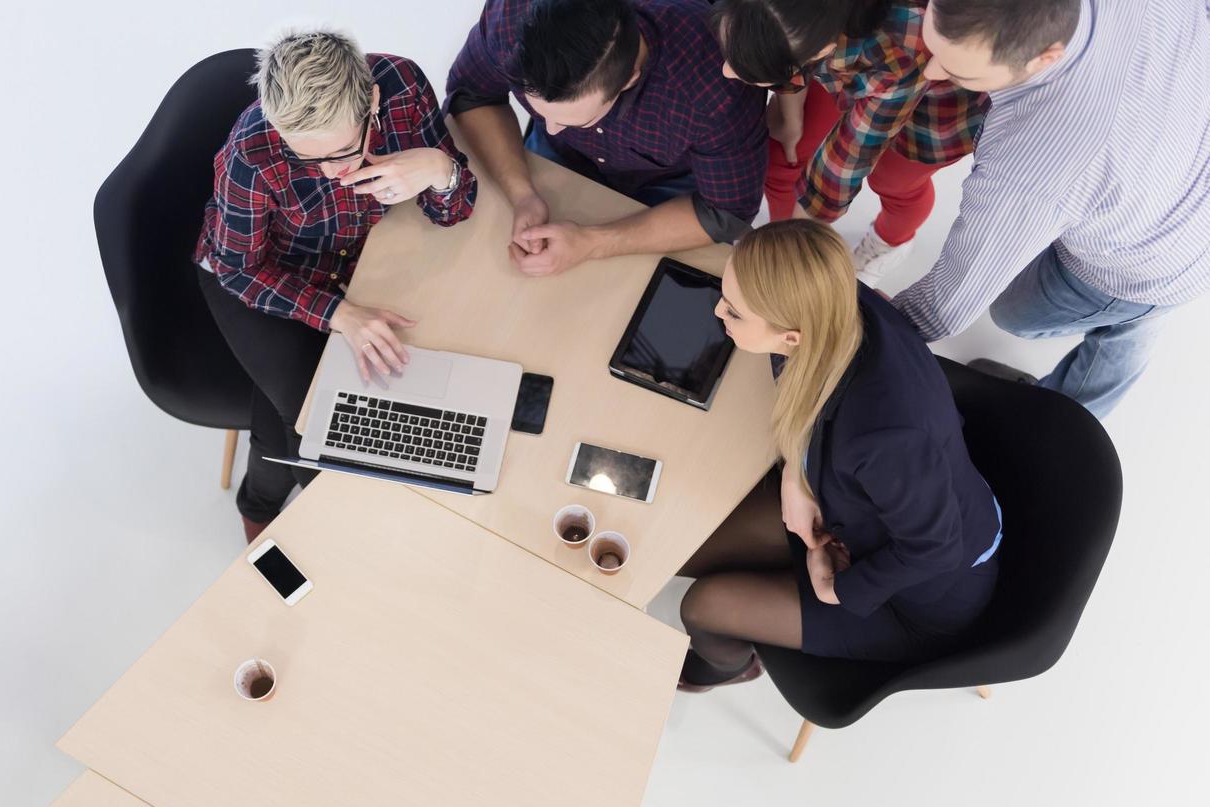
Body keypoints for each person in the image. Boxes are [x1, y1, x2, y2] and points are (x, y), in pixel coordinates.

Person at [676, 221, 1002, 689]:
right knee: (687, 544)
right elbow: (792, 373)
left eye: (734, 312)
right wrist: (794, 475)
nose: (718, 312)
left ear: (792, 336)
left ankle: (730, 665)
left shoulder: (885, 437)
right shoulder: (833, 298)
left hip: (916, 596)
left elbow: (935, 548)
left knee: (702, 608)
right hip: (850, 512)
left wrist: (835, 590)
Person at [195, 30, 477, 541]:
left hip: (354, 262)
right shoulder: (251, 154)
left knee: (299, 411)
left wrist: (440, 169)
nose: (332, 172)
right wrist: (339, 314)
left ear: (370, 100)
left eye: (345, 151)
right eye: (309, 159)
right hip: (260, 279)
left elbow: (453, 211)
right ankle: (306, 522)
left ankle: (257, 502)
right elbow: (238, 268)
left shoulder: (403, 85)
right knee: (321, 437)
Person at [892, 0, 1210, 418]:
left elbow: (941, 309)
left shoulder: (1033, 163)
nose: (931, 71)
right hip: (1178, 156)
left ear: (1046, 57)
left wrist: (862, 323)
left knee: (1019, 314)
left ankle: (1059, 415)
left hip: (1156, 263)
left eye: (958, 71)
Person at [445, 0, 767, 277]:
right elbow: (471, 96)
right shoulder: (512, 18)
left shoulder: (714, 80)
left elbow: (724, 213)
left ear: (629, 80)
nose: (551, 127)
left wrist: (594, 243)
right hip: (559, 161)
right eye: (538, 110)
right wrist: (522, 194)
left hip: (669, 186)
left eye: (575, 120)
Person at [713, 0, 988, 287]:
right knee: (784, 152)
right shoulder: (800, 32)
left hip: (935, 105)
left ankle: (890, 241)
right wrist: (790, 118)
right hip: (843, 48)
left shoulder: (903, 42)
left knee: (893, 182)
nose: (726, 71)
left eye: (750, 67)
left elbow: (844, 165)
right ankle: (781, 235)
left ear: (819, 50)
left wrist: (789, 254)